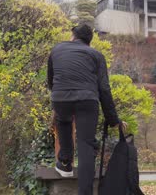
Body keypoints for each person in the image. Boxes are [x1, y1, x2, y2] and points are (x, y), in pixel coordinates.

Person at [47, 24, 124, 195]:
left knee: (63, 120)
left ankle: (65, 163)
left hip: (60, 96)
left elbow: (51, 80)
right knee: (86, 146)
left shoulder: (57, 49)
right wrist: (113, 120)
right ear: (89, 42)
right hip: (87, 100)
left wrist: (59, 97)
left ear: (73, 36)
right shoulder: (97, 55)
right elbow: (104, 89)